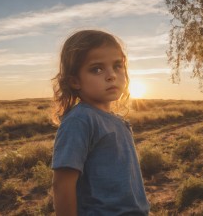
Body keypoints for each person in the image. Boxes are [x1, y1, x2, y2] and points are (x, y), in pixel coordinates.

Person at [51, 29, 150, 216]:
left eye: (117, 66)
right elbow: (62, 183)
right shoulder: (80, 121)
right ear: (74, 81)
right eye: (97, 69)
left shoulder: (118, 122)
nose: (111, 75)